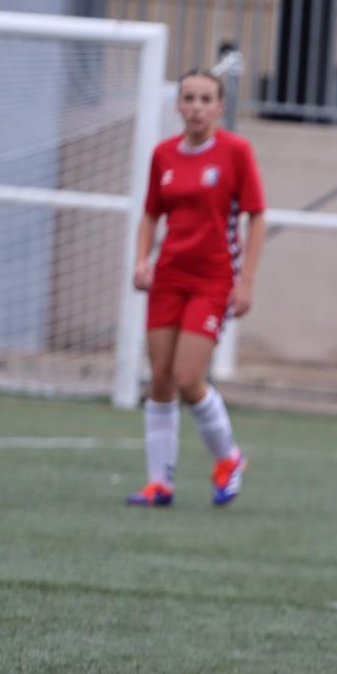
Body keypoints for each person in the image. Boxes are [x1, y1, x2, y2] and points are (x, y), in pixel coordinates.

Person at [125, 70, 264, 508]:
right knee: (160, 379)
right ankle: (159, 484)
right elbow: (151, 213)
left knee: (188, 378)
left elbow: (257, 216)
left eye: (206, 99)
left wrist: (246, 281)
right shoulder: (163, 155)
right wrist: (142, 260)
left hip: (212, 280)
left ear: (219, 107)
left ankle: (229, 459)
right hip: (169, 277)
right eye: (189, 98)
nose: (197, 106)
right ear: (178, 105)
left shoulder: (235, 152)